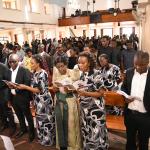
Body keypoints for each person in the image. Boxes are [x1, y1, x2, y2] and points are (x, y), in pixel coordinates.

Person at [16, 54, 56, 146]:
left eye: (32, 63)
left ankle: (48, 140)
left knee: (46, 120)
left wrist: (25, 87)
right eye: (30, 63)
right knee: (40, 120)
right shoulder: (35, 73)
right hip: (38, 100)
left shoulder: (42, 73)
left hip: (44, 100)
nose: (31, 65)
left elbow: (39, 90)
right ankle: (42, 138)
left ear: (38, 63)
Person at [77, 52, 109, 150]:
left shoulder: (96, 74)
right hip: (85, 109)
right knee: (87, 130)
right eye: (79, 62)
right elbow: (83, 90)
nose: (80, 65)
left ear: (89, 63)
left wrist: (85, 94)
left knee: (96, 132)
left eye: (83, 63)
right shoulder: (82, 74)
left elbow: (101, 93)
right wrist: (79, 95)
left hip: (95, 110)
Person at [121, 51, 150, 150]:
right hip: (130, 114)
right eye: (136, 64)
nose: (138, 67)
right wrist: (125, 97)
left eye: (141, 65)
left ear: (147, 63)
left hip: (146, 116)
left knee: (144, 143)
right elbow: (123, 87)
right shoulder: (129, 72)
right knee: (130, 142)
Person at [53, 56, 81, 150]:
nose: (60, 68)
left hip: (70, 101)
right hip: (58, 100)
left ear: (66, 64)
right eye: (58, 67)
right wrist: (55, 88)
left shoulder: (73, 73)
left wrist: (71, 89)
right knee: (60, 121)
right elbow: (54, 86)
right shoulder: (56, 73)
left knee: (70, 123)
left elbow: (79, 88)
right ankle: (62, 144)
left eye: (62, 66)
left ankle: (72, 146)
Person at [8, 54, 35, 142]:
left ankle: (32, 132)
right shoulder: (9, 71)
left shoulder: (24, 70)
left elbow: (27, 84)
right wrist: (9, 99)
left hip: (23, 97)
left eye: (14, 62)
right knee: (19, 115)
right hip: (13, 97)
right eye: (10, 62)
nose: (12, 64)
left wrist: (15, 88)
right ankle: (23, 129)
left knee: (28, 115)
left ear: (18, 61)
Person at [0, 63, 16, 136]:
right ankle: (4, 123)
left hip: (4, 91)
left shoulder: (3, 67)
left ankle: (12, 126)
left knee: (7, 109)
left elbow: (9, 81)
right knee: (1, 109)